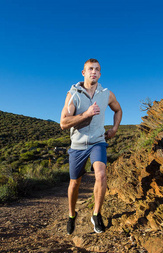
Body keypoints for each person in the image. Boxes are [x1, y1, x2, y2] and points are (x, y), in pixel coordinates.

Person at [60, 58, 122, 234]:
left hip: (97, 142)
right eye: (90, 69)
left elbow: (118, 110)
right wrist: (86, 114)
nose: (93, 72)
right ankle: (72, 215)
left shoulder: (106, 94)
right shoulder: (73, 94)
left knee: (101, 175)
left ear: (100, 73)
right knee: (74, 183)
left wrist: (115, 128)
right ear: (83, 73)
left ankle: (96, 214)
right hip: (78, 145)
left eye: (97, 69)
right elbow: (63, 123)